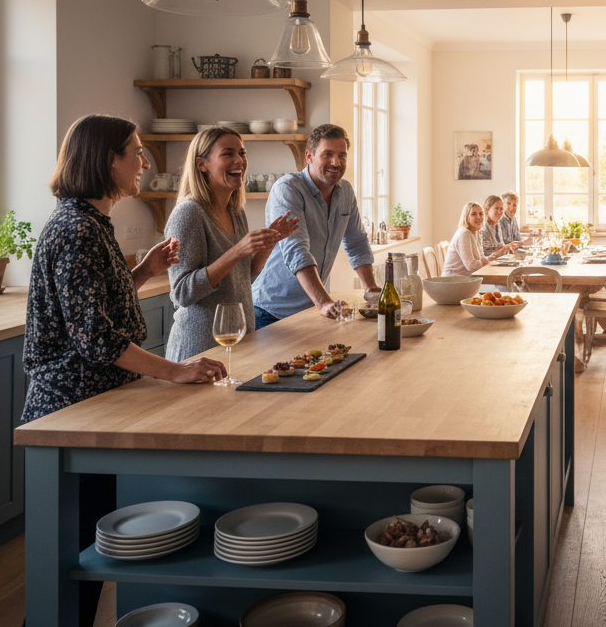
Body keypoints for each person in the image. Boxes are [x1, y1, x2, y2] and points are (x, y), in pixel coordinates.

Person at [21, 114, 228, 626]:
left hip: (94, 407)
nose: (145, 161)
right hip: (71, 414)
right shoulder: (77, 230)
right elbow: (98, 339)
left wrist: (143, 272)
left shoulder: (90, 223)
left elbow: (96, 309)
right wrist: (174, 372)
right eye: (135, 151)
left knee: (85, 557)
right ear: (106, 160)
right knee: (72, 564)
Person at [165, 127, 298, 361]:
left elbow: (241, 279)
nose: (239, 160)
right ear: (201, 164)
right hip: (199, 352)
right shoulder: (189, 213)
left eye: (242, 153)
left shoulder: (235, 212)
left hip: (237, 347)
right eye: (228, 153)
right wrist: (237, 251)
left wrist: (269, 242)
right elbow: (182, 293)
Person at [253, 124, 378, 328]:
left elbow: (357, 242)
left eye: (342, 155)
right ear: (309, 156)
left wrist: (372, 290)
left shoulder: (345, 191)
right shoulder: (288, 189)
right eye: (327, 154)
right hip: (270, 312)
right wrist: (324, 302)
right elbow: (296, 250)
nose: (336, 162)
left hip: (309, 310)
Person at [442, 201, 520, 276]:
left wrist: (491, 257)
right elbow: (471, 266)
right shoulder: (464, 233)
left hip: (467, 280)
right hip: (454, 282)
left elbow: (481, 260)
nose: (478, 217)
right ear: (466, 217)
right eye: (474, 214)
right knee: (502, 286)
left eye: (481, 214)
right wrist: (488, 260)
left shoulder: (475, 233)